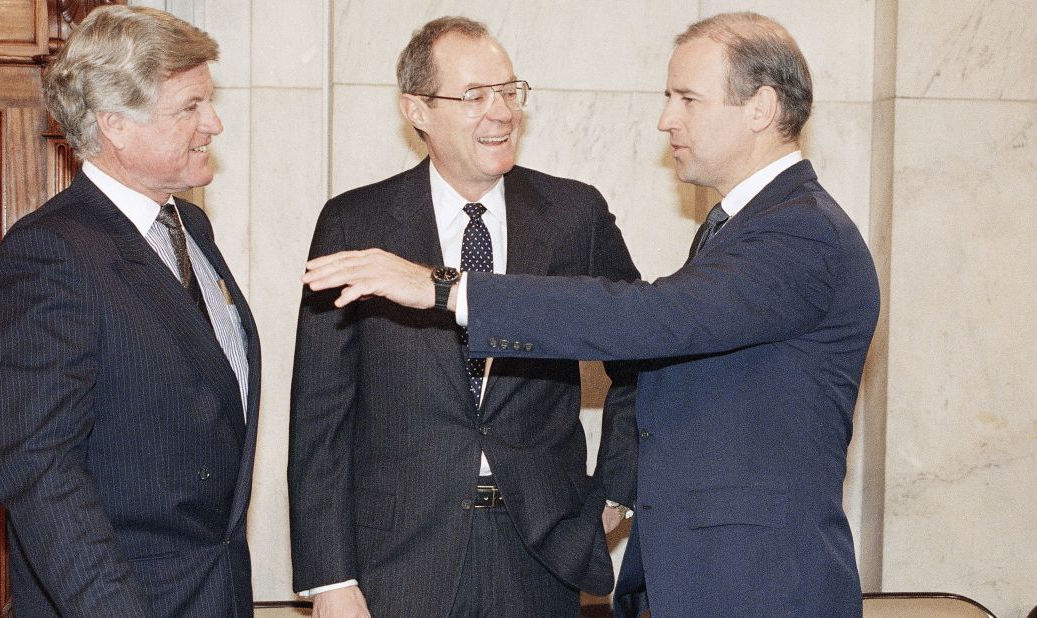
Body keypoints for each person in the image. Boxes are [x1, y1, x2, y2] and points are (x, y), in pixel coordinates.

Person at [301, 11, 880, 618]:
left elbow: (652, 321)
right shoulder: (741, 228)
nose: (666, 119)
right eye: (668, 96)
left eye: (686, 98)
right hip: (673, 577)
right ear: (416, 110)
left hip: (756, 584)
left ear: (759, 109)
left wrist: (447, 289)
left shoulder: (800, 233)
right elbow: (321, 413)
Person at [287, 16, 639, 618]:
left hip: (541, 554)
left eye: (509, 91)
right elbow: (321, 410)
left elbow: (641, 352)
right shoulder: (355, 222)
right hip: (395, 563)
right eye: (474, 95)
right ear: (416, 110)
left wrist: (616, 493)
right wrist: (329, 580)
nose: (501, 111)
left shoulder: (573, 214)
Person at [0, 6, 261, 617]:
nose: (212, 124)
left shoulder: (192, 227)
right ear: (115, 125)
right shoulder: (49, 254)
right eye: (189, 107)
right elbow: (41, 470)